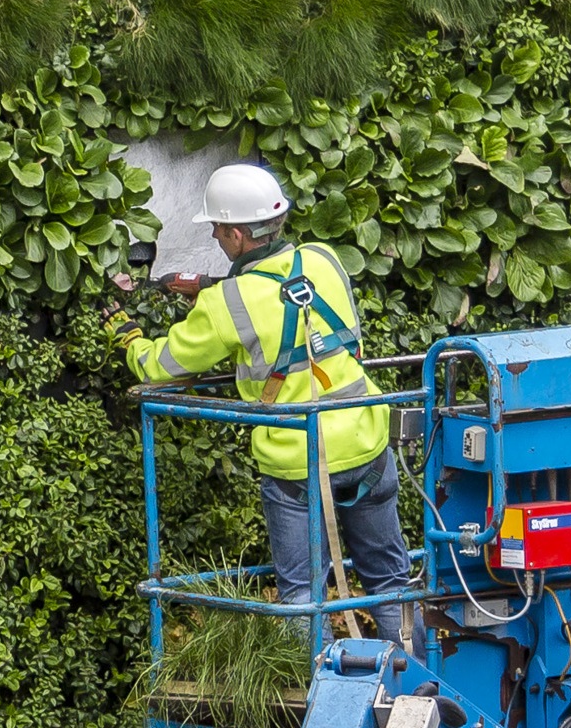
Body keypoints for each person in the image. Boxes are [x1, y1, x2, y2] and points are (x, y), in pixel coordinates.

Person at [105, 162, 413, 645]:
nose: (214, 238)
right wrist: (213, 287)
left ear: (234, 233)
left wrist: (127, 338)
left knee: (301, 596)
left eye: (216, 230)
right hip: (367, 441)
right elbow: (306, 311)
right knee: (389, 581)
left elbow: (160, 367)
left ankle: (317, 691)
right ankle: (410, 675)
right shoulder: (324, 259)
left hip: (298, 464)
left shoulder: (228, 303)